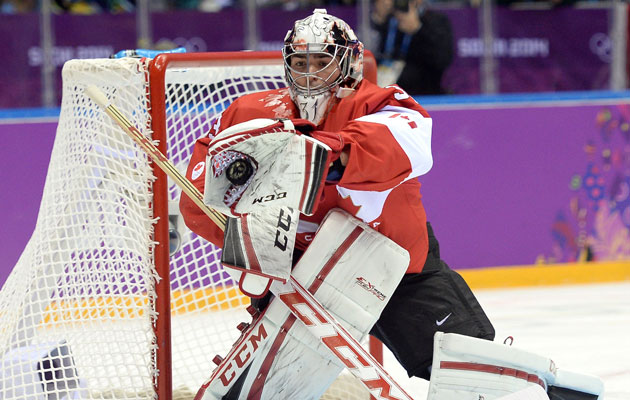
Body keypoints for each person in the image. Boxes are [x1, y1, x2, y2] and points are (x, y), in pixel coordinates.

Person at [180, 8, 494, 394]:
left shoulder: (379, 102)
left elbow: (408, 147)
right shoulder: (249, 114)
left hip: (394, 267)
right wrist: (252, 245)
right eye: (300, 61)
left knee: (470, 376)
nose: (309, 72)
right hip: (301, 275)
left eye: (321, 61)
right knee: (261, 390)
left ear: (346, 63)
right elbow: (201, 196)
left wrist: (328, 153)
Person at [371, 0, 454, 95]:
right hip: (389, 92)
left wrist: (417, 29)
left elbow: (442, 60)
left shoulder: (436, 20)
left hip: (425, 93)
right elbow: (373, 55)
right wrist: (379, 19)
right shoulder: (390, 21)